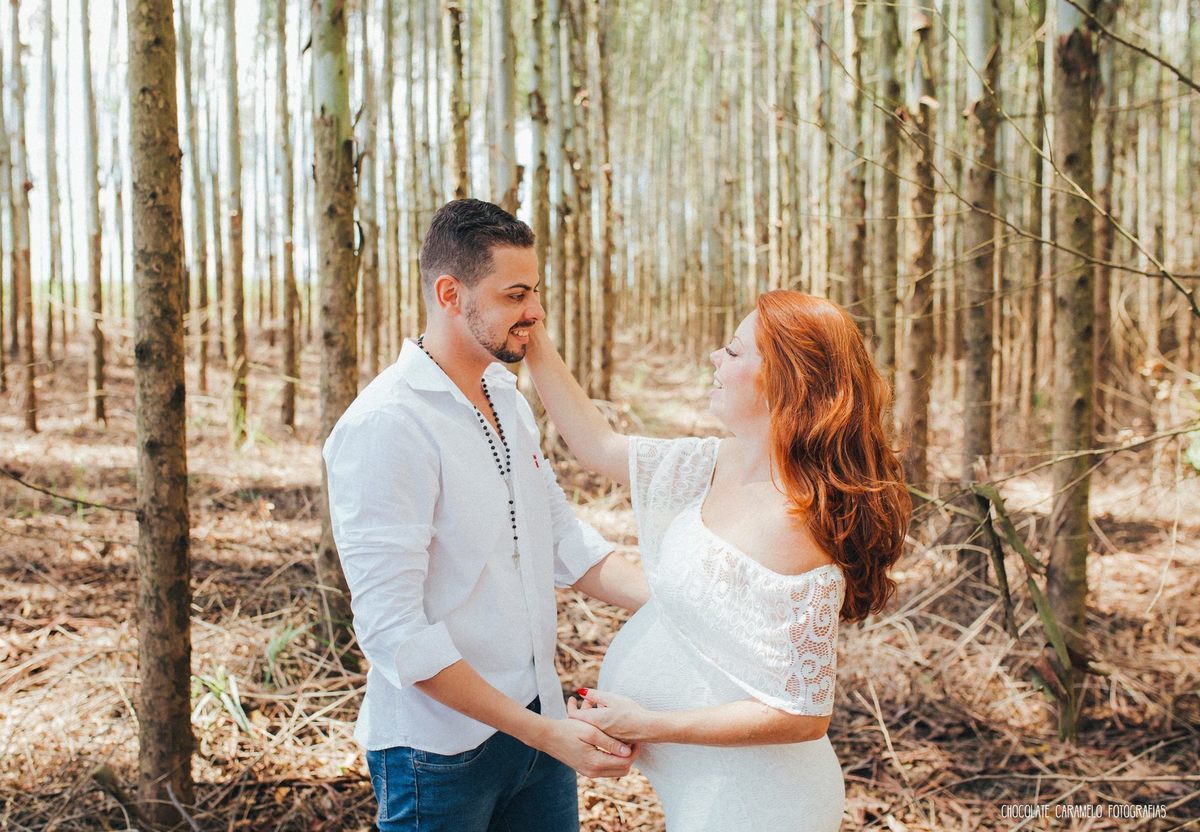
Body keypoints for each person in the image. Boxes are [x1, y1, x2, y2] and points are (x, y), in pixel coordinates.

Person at [524, 290, 911, 831]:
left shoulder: (796, 523)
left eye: (733, 351)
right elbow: (598, 445)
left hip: (761, 802)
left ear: (782, 380)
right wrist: (533, 336)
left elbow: (801, 713)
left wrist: (650, 723)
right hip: (707, 789)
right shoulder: (717, 461)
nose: (714, 359)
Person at [323, 199, 649, 832]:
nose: (536, 312)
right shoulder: (387, 425)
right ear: (451, 293)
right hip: (438, 755)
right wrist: (545, 734)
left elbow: (561, 540)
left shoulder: (505, 394)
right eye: (515, 294)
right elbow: (393, 630)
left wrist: (679, 603)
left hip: (537, 727)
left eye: (535, 291)